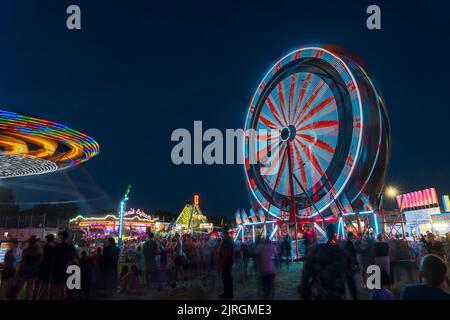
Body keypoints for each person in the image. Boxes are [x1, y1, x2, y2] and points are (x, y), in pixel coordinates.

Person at [299, 223, 357, 300]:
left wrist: (304, 292)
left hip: (320, 294)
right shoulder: (342, 252)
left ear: (326, 233)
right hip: (337, 294)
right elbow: (350, 279)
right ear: (334, 233)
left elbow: (306, 274)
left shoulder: (317, 251)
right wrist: (354, 296)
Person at [51, 230, 78, 300]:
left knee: (57, 286)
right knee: (63, 286)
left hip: (57, 268)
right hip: (65, 268)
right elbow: (74, 258)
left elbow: (53, 258)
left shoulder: (57, 247)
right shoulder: (71, 247)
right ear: (68, 237)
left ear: (61, 237)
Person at [17, 235, 43, 299]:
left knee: (19, 288)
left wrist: (19, 271)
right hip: (34, 270)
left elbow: (22, 262)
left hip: (25, 269)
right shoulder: (39, 251)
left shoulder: (26, 251)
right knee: (30, 290)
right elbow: (41, 262)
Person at [37, 234, 55, 300]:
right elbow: (53, 259)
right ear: (52, 240)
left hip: (42, 267)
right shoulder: (52, 248)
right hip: (49, 268)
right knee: (47, 285)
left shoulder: (43, 248)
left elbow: (40, 258)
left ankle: (39, 296)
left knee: (40, 284)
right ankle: (45, 297)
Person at [219, 226, 234, 299]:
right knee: (226, 277)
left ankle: (228, 294)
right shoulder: (228, 239)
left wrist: (223, 261)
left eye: (222, 231)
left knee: (226, 277)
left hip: (227, 260)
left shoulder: (227, 240)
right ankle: (227, 293)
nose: (222, 232)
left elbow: (226, 251)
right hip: (228, 259)